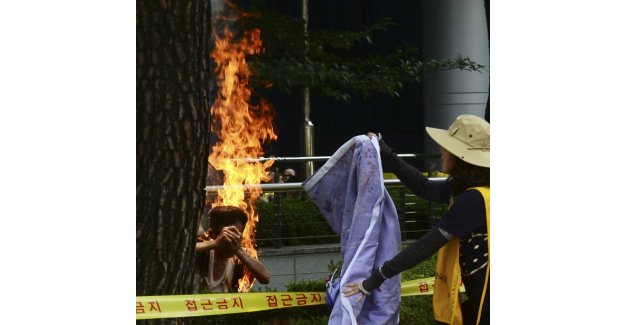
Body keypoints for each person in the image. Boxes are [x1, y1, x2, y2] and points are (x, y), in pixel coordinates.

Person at [343, 114, 490, 325]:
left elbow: (424, 247)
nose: (441, 151)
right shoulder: (472, 189)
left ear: (461, 156)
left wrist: (372, 281)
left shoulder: (474, 199)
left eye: (446, 147)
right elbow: (424, 186)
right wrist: (388, 154)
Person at [194, 206, 271, 293]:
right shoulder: (204, 250)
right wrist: (215, 244)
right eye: (228, 237)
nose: (233, 242)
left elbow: (265, 277)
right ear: (214, 235)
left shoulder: (239, 255)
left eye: (238, 236)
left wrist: (239, 251)